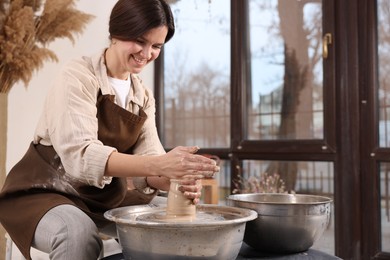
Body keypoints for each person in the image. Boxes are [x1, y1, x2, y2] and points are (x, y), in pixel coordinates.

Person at [0, 0, 220, 259]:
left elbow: (150, 163)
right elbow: (80, 156)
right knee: (76, 232)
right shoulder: (78, 76)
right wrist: (161, 165)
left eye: (156, 46)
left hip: (101, 199)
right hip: (44, 192)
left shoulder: (143, 96)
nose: (147, 53)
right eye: (140, 40)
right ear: (116, 33)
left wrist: (178, 176)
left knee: (178, 223)